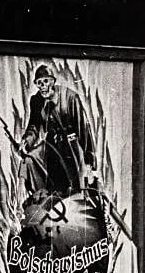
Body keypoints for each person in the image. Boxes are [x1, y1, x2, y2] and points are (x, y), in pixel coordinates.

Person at [20, 64, 96, 198]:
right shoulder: (36, 100)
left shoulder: (70, 98)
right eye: (39, 83)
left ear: (52, 82)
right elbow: (34, 126)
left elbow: (83, 129)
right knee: (30, 160)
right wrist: (27, 141)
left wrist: (89, 162)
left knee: (73, 188)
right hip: (50, 146)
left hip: (70, 147)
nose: (42, 86)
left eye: (45, 82)